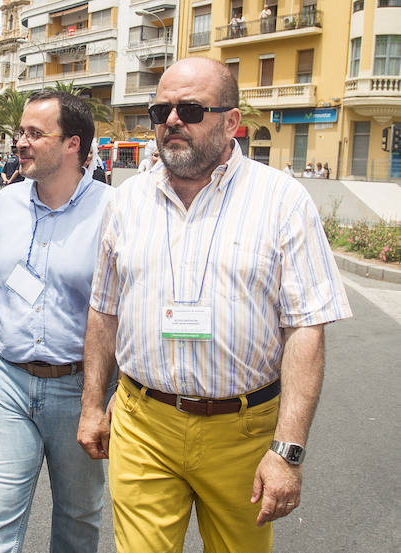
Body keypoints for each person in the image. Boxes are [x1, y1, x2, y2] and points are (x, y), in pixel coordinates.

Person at [78, 57, 352, 553]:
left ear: (231, 121)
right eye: (160, 110)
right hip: (143, 425)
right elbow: (104, 311)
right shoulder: (125, 201)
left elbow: (306, 328)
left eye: (190, 108)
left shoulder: (283, 201)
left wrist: (287, 450)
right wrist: (92, 405)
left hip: (242, 433)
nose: (172, 121)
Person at [0, 91, 116, 553]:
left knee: (78, 517)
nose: (20, 143)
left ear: (73, 144)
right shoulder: (5, 203)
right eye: (19, 133)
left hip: (80, 388)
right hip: (7, 380)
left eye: (34, 134)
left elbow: (120, 311)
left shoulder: (115, 210)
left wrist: (106, 398)